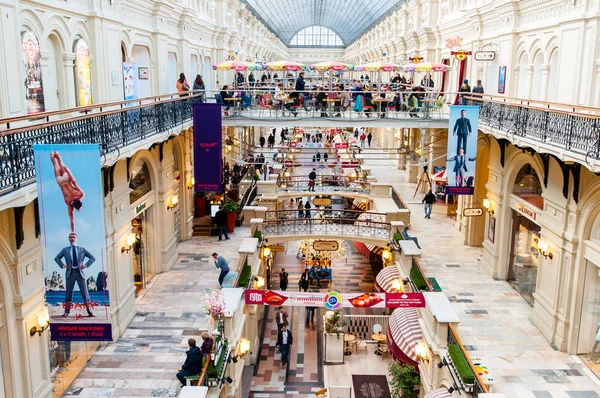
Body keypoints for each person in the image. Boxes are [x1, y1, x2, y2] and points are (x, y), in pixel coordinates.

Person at [54, 232, 96, 317]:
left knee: (85, 293)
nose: (72, 238)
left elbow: (92, 258)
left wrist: (86, 265)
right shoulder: (65, 250)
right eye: (71, 237)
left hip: (80, 273)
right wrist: (62, 265)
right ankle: (67, 312)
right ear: (69, 239)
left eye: (74, 237)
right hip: (70, 273)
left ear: (77, 239)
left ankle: (90, 312)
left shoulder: (82, 250)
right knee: (68, 294)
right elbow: (57, 258)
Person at [50, 151, 84, 233]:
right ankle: (51, 153)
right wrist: (73, 231)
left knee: (59, 159)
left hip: (67, 179)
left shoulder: (80, 194)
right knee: (54, 163)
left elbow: (74, 182)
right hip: (60, 182)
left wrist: (68, 171)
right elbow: (72, 219)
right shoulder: (69, 204)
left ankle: (55, 152)